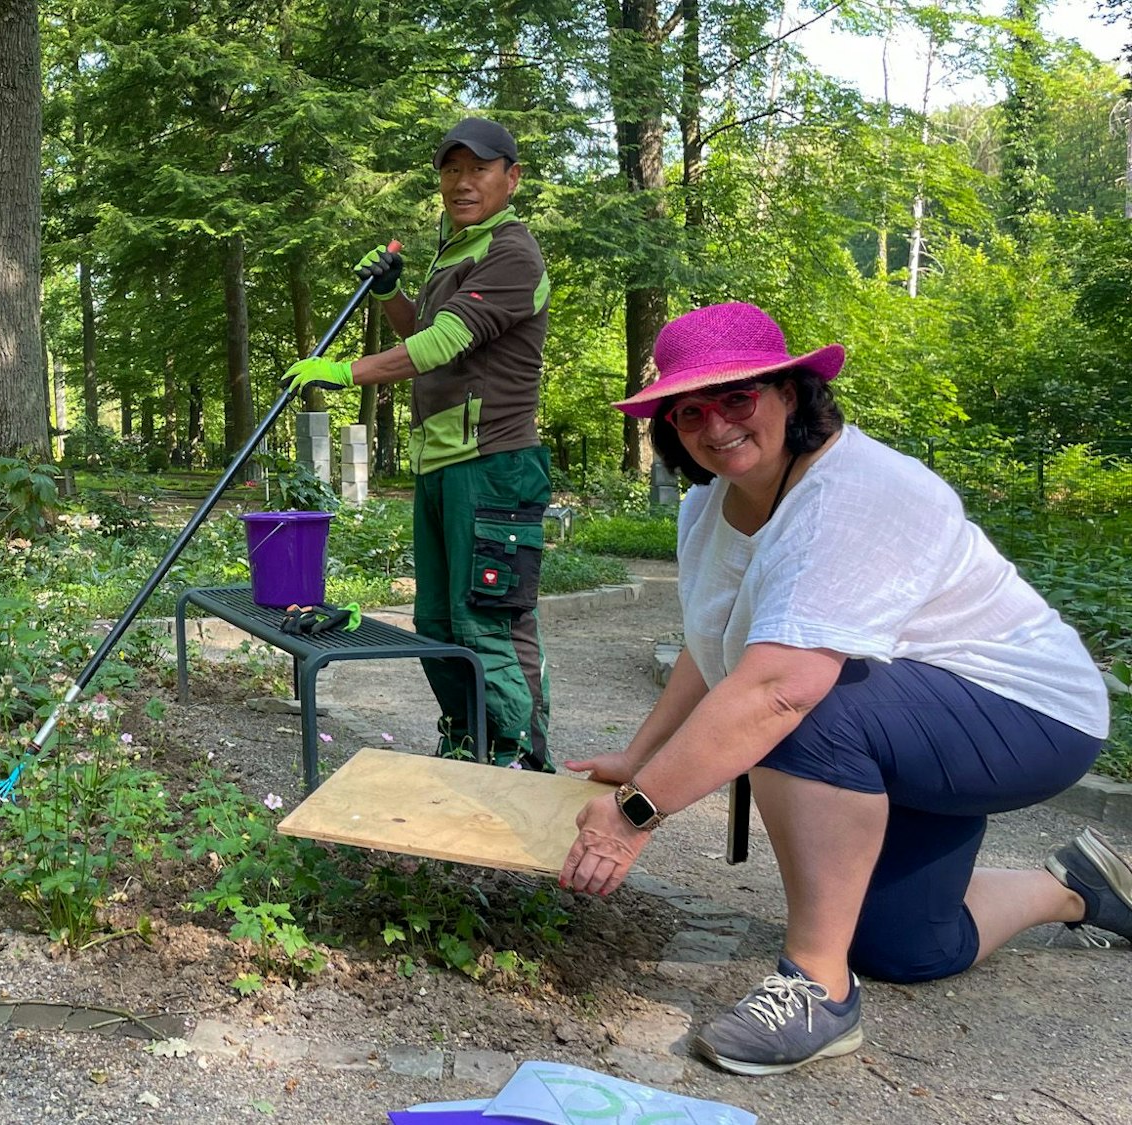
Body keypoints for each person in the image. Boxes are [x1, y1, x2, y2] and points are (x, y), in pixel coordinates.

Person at [557, 302, 1120, 1076]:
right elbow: (713, 643)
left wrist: (635, 812)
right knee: (906, 947)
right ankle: (1076, 887)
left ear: (791, 394)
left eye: (737, 397)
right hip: (909, 718)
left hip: (1027, 713)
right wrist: (638, 755)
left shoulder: (855, 492)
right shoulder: (707, 507)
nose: (715, 424)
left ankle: (817, 988)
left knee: (802, 712)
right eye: (689, 412)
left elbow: (780, 689)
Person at [284, 117, 553, 771]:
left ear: (510, 178)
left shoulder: (513, 253)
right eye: (451, 169)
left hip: (494, 464)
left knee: (487, 619)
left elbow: (439, 346)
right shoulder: (456, 251)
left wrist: (345, 372)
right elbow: (427, 329)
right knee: (436, 619)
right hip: (443, 463)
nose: (463, 182)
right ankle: (467, 737)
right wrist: (391, 293)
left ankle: (519, 753)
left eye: (479, 169)